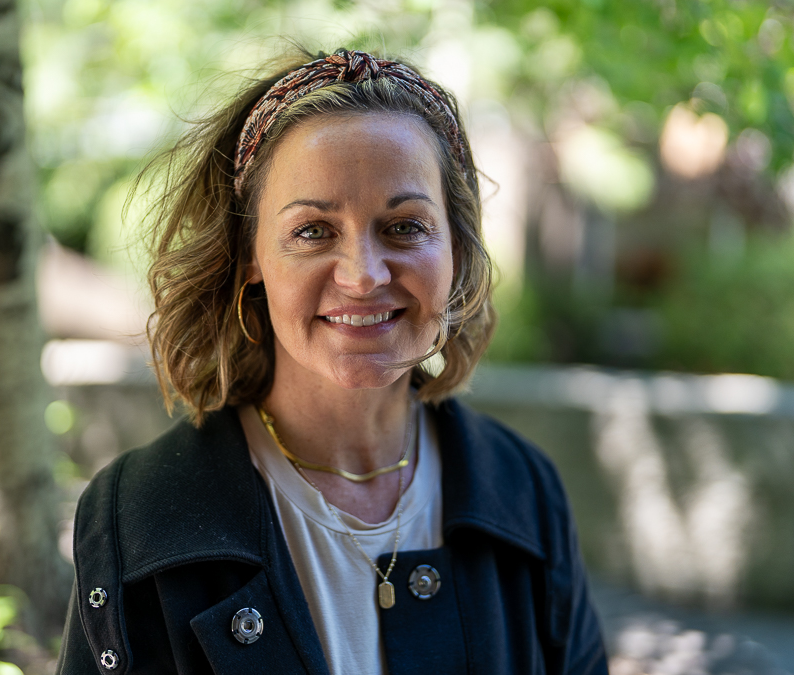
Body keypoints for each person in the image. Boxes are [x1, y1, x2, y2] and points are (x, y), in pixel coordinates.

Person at [56, 48, 608, 675]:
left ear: (456, 248)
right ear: (250, 258)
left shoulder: (523, 490)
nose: (363, 276)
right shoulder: (140, 514)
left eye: (404, 227)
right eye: (314, 231)